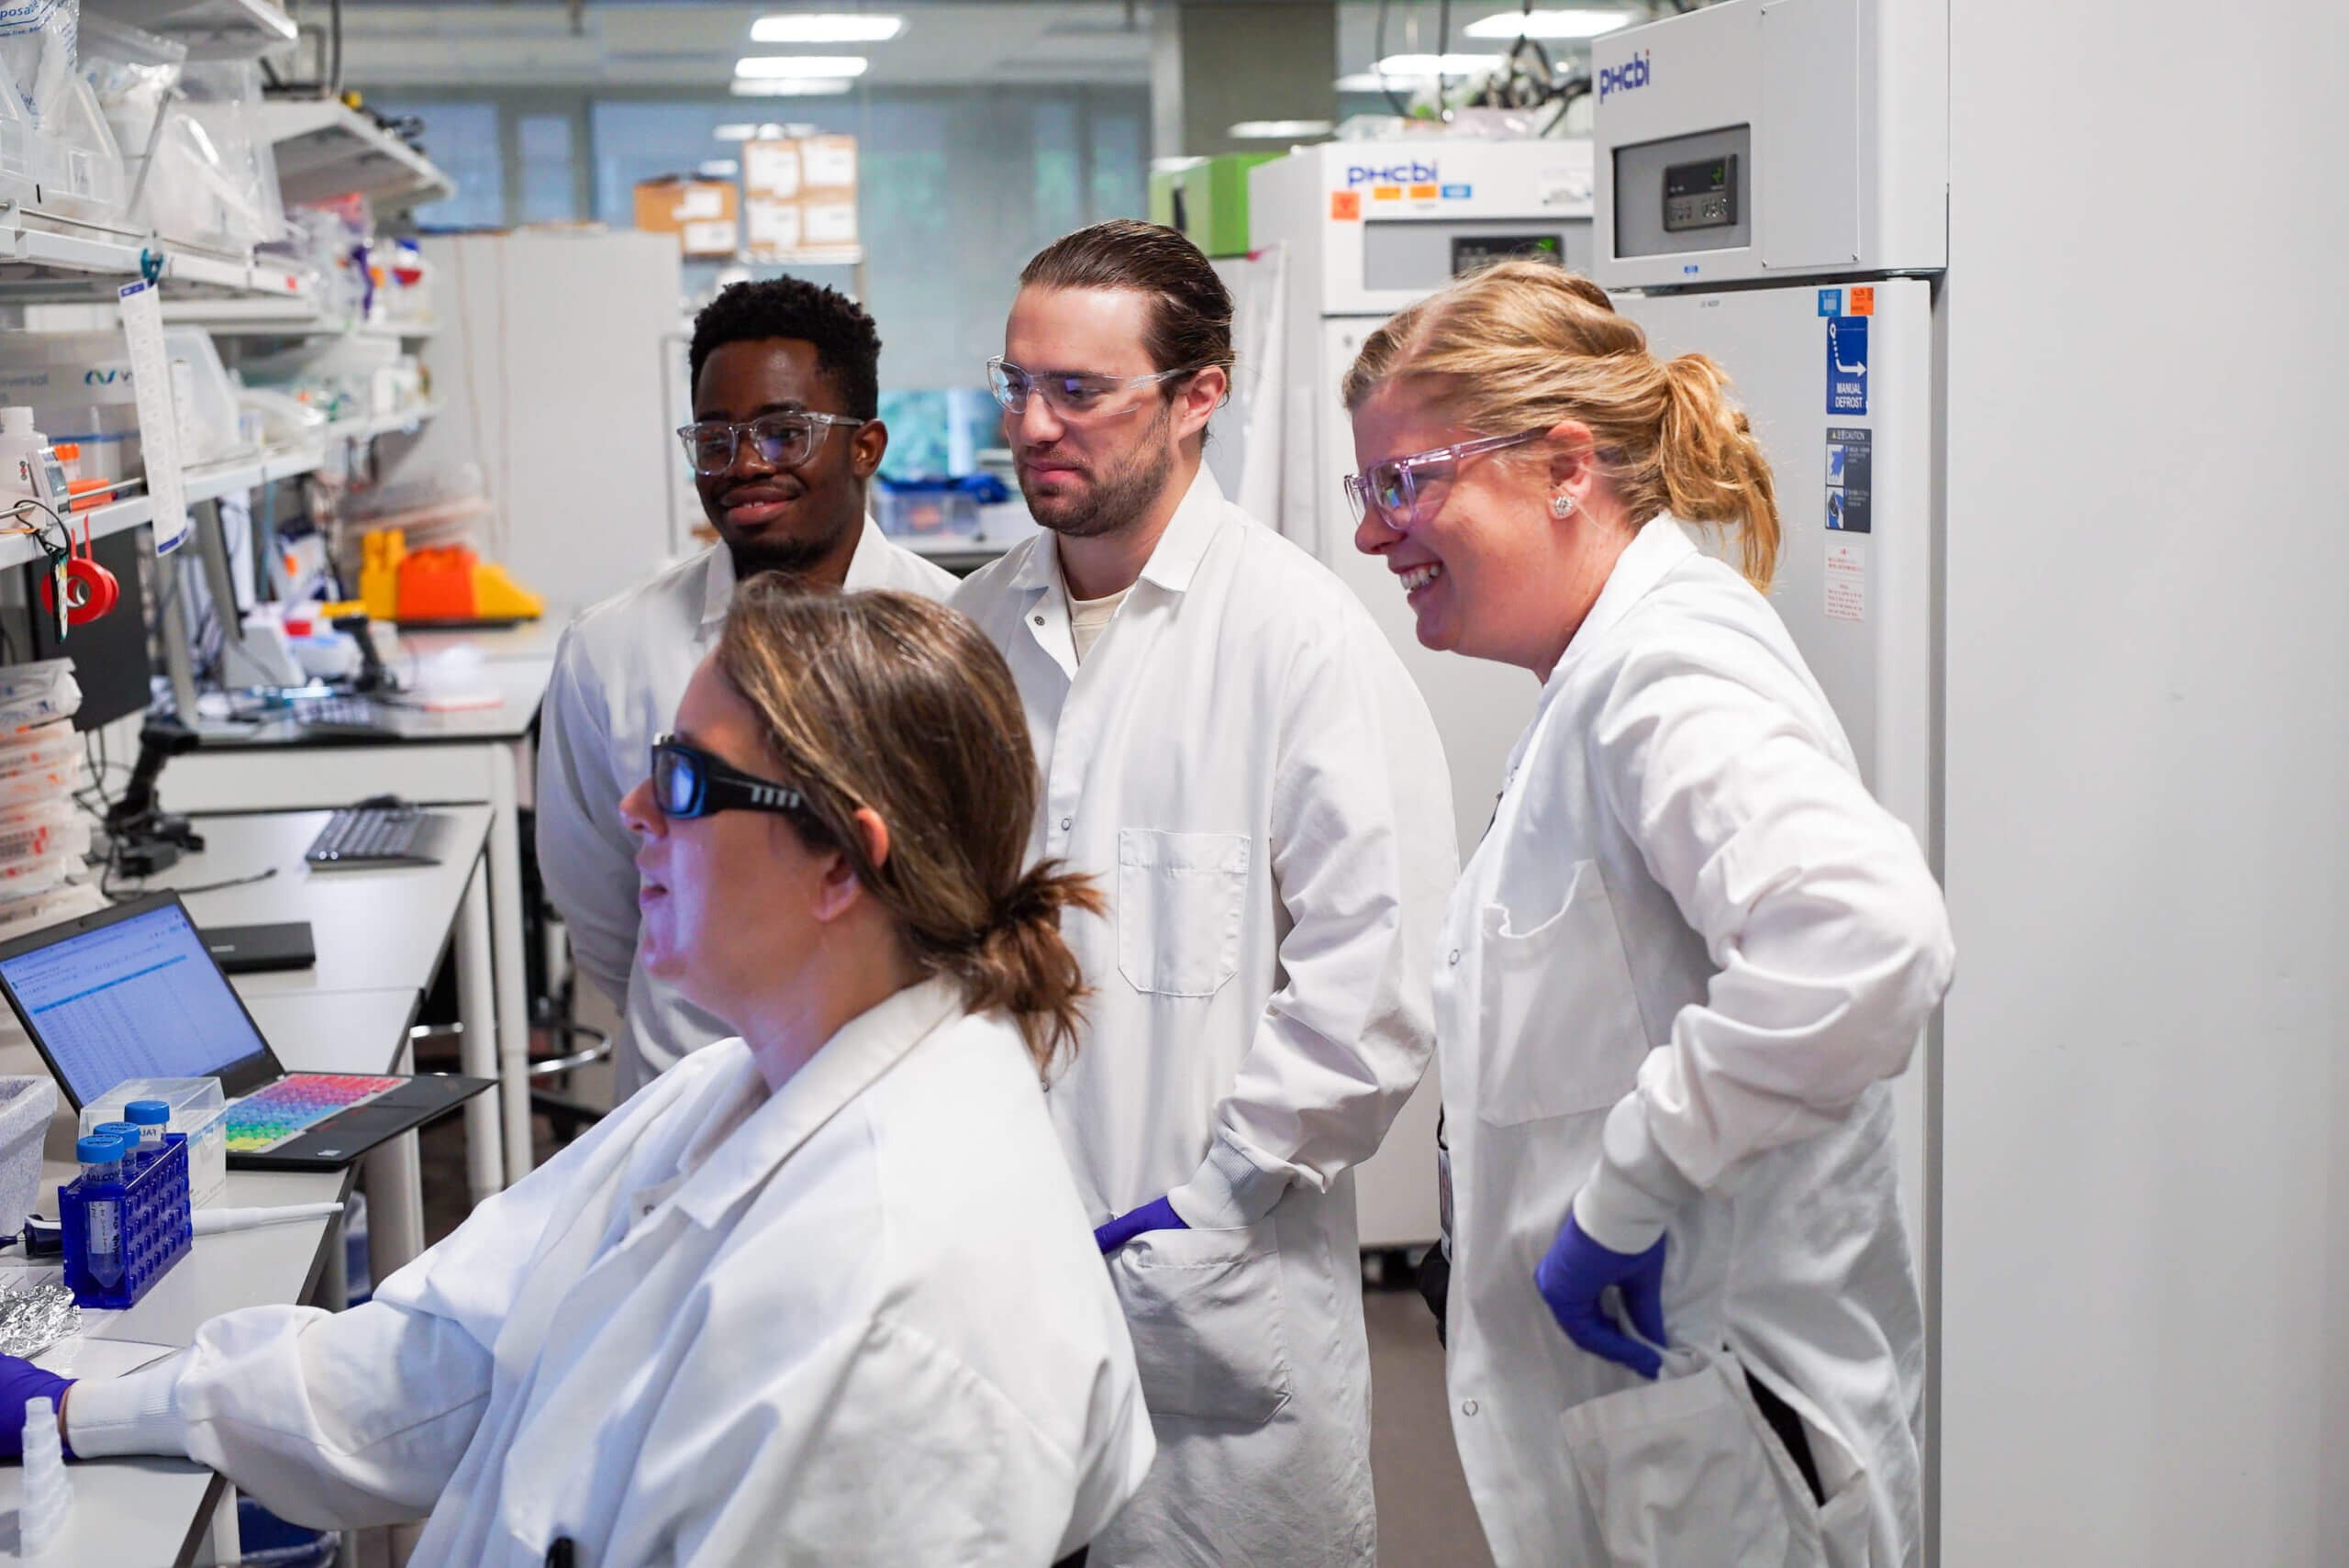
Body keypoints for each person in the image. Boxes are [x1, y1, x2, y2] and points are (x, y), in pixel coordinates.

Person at [17, 581, 1154, 1566]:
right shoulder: (732, 1085)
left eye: (688, 780)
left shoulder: (896, 1302)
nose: (634, 810)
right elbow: (440, 1364)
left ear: (842, 862)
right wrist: (94, 1405)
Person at [1342, 259, 1955, 1567]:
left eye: (1407, 482)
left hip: (1727, 1448)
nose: (1373, 533)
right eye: (1368, 489)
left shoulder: (1667, 669)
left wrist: (1628, 1194)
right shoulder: (1605, 671)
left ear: (1564, 465)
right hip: (1666, 1433)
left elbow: (1868, 939)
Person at [952, 219, 1456, 1567]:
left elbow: (1380, 983)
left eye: (1078, 391)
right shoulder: (973, 637)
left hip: (1207, 1301)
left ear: (1199, 398)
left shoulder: (1301, 642)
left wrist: (1215, 1205)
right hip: (988, 1288)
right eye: (1017, 385)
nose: (1034, 425)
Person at [540, 277, 957, 1097]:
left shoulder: (954, 633)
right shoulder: (610, 651)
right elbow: (603, 914)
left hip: (896, 1096)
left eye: (784, 432)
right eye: (717, 439)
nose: (745, 467)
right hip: (681, 1101)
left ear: (866, 445)